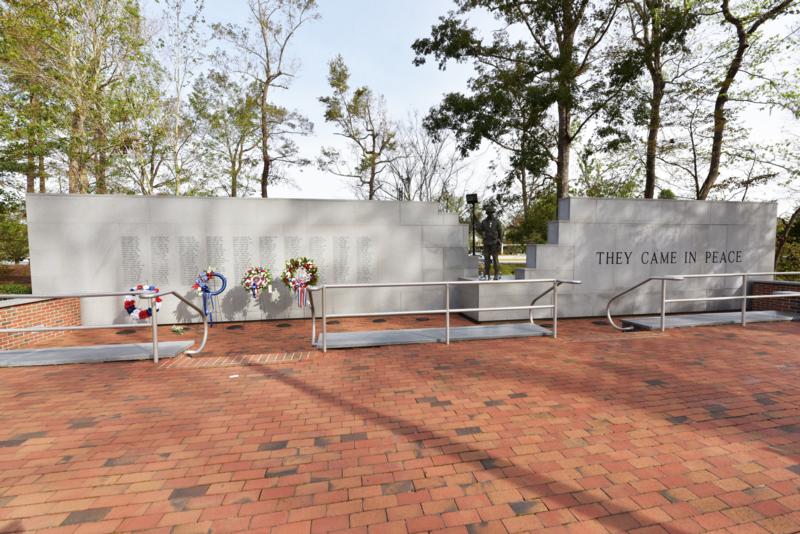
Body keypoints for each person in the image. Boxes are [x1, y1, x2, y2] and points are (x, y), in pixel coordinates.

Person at [477, 203, 503, 280]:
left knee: (495, 259)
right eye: (489, 213)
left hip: (495, 243)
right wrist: (479, 230)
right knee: (486, 260)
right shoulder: (484, 222)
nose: (490, 214)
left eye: (492, 213)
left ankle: (496, 274)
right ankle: (486, 274)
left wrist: (500, 241)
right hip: (486, 243)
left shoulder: (497, 222)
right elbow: (480, 230)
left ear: (493, 213)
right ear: (487, 213)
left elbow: (500, 232)